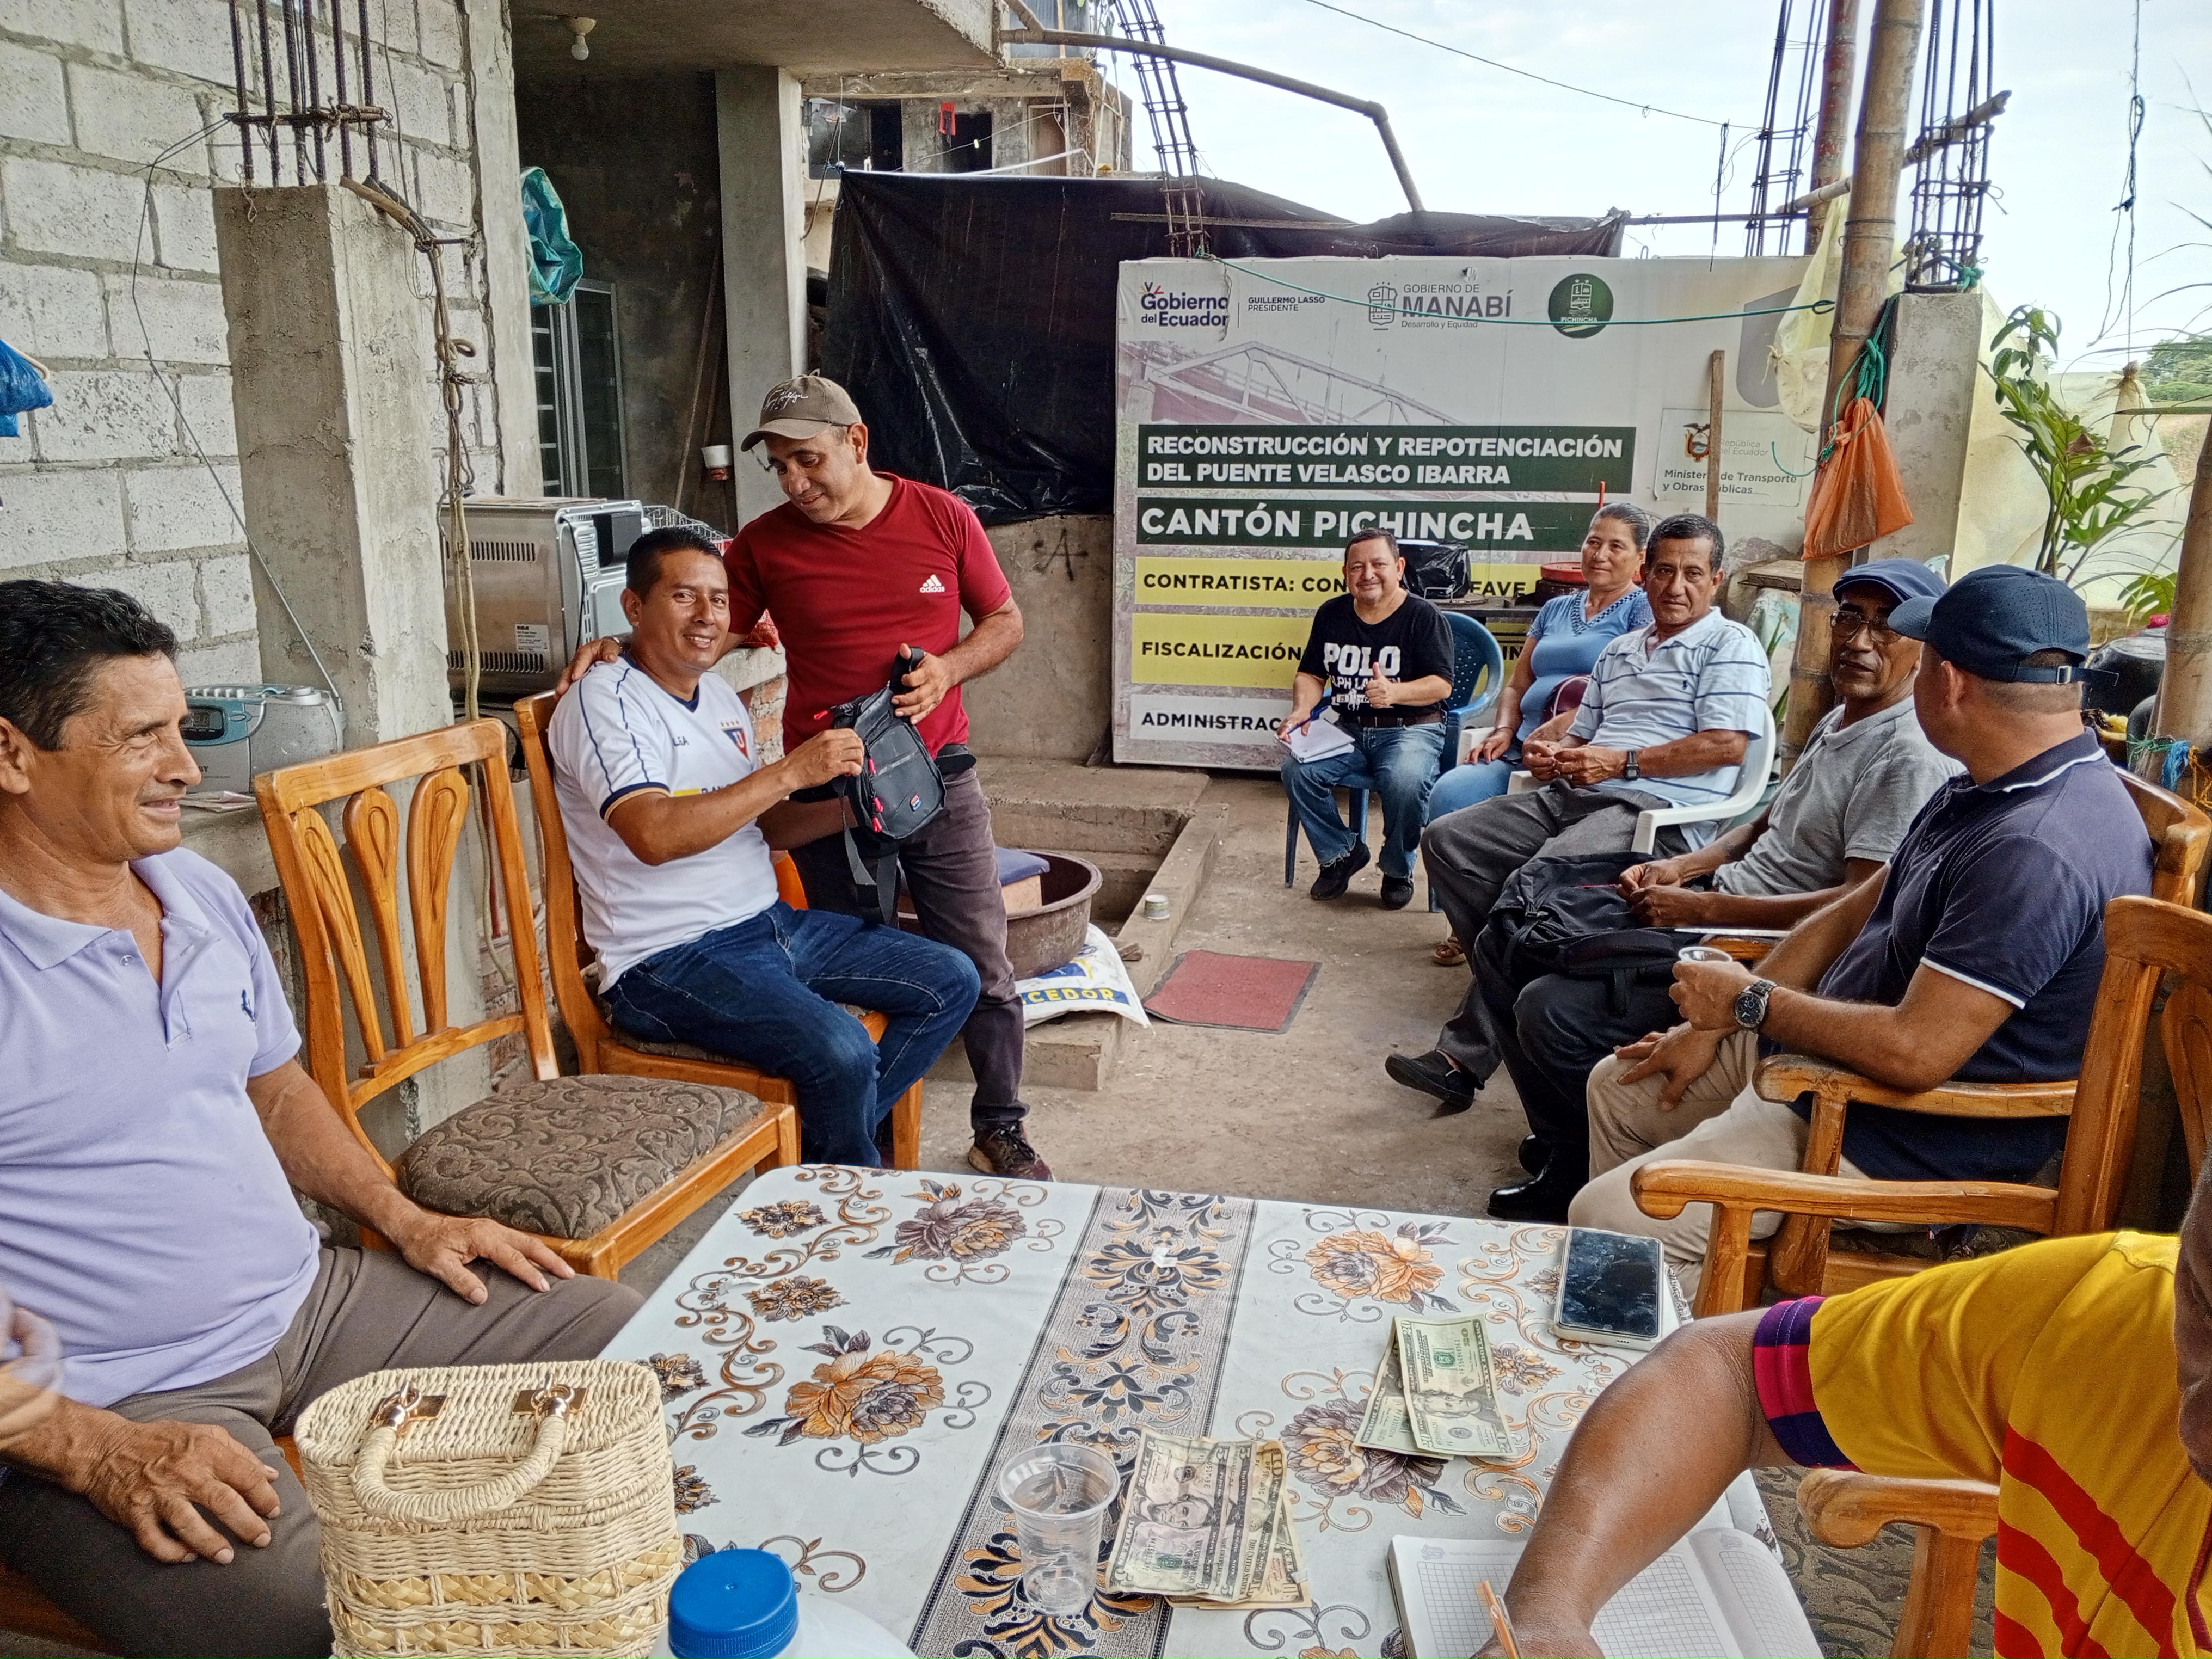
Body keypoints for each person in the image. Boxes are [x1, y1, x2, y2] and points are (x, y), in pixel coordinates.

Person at [0, 580, 641, 1659]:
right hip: (116, 1397)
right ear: (12, 754)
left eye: (182, 728)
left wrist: (405, 1218)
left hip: (314, 1299)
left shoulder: (192, 893)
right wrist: (91, 1450)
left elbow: (278, 1090)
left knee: (625, 1348)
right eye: (140, 737)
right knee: (331, 1624)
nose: (185, 767)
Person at [1572, 565, 2154, 1291]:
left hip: (1897, 1136)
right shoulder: (1989, 782)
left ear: (1949, 682)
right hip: (1829, 1071)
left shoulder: (2032, 848)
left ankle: (1697, 1341)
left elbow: (1915, 1051)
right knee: (1620, 1086)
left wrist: (1748, 1001)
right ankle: (1648, 1304)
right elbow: (1853, 909)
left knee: (1607, 1221)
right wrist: (1715, 1024)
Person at [561, 374, 1047, 1179]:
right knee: (851, 984)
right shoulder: (763, 544)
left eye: (808, 460)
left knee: (980, 961)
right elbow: (703, 625)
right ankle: (857, 1150)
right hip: (823, 784)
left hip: (933, 774)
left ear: (856, 442)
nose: (793, 482)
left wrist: (949, 669)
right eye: (780, 465)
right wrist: (623, 644)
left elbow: (1005, 621)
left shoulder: (942, 516)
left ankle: (998, 1125)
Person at [1389, 561, 1958, 1224]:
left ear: (1925, 648)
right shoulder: (1841, 719)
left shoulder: (1906, 754)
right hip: (1706, 894)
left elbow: (1855, 908)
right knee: (1506, 938)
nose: (1859, 640)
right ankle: (1563, 1136)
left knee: (1551, 1007)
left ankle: (1575, 1160)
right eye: (1849, 618)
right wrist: (1685, 868)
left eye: (1886, 627)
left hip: (1752, 945)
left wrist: (1705, 907)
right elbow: (1761, 824)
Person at [1474, 1213, 2212, 1658]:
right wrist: (1548, 1616)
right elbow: (1727, 1376)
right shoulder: (2105, 1315)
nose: (2197, 1421)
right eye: (2204, 1306)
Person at [549, 528, 982, 1165]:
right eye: (683, 596)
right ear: (634, 607)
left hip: (767, 927)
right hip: (665, 960)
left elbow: (765, 827)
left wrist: (857, 809)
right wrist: (788, 773)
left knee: (951, 978)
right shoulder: (604, 701)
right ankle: (845, 1188)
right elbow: (653, 835)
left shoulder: (718, 695)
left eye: (720, 600)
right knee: (841, 1049)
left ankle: (817, 1154)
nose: (707, 616)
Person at [1426, 503, 1654, 962]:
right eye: (1594, 542)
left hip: (1578, 756)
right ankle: (1465, 923)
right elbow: (1518, 683)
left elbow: (1626, 690)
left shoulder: (1642, 609)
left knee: (1534, 845)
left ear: (1640, 558)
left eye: (1616, 546)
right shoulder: (1555, 608)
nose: (1600, 554)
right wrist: (1504, 729)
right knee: (1449, 795)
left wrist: (1560, 731)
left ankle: (1505, 934)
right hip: (1521, 746)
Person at [1278, 529, 1458, 908]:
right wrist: (1302, 709)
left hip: (1411, 730)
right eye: (1357, 567)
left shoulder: (1423, 616)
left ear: (1399, 567)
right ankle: (1342, 854)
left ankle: (1397, 868)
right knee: (1297, 771)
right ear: (1345, 573)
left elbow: (1441, 685)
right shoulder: (1332, 613)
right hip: (1349, 730)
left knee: (1405, 782)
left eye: (1378, 564)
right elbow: (1311, 674)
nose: (1368, 574)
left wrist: (1395, 693)